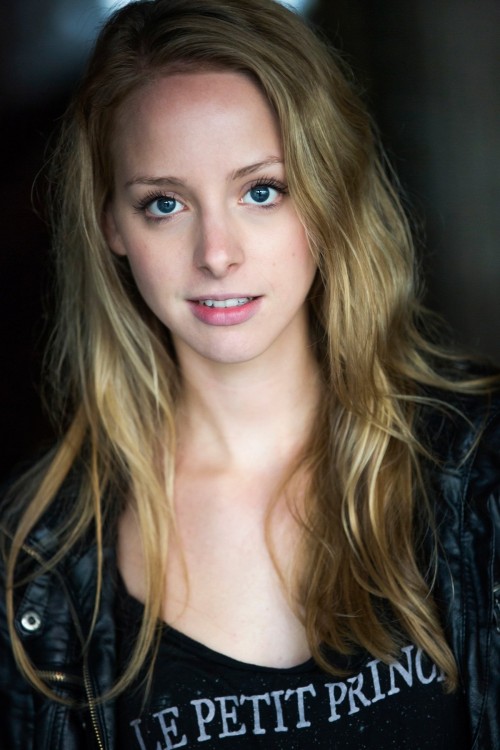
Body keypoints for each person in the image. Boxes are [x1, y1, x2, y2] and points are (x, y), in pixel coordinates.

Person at [0, 0, 498, 747]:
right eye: (164, 204)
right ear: (112, 224)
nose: (216, 254)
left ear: (327, 194)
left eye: (261, 190)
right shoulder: (38, 559)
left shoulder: (482, 463)